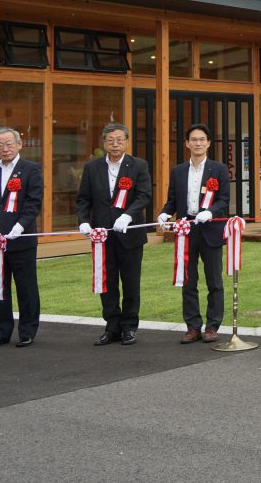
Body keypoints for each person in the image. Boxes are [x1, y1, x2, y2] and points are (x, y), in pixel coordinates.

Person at [75, 122, 153, 346]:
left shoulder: (138, 165)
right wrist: (83, 222)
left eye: (120, 140)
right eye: (111, 140)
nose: (115, 144)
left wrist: (128, 215)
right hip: (102, 236)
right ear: (104, 143)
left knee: (130, 282)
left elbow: (144, 195)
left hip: (129, 235)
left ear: (127, 142)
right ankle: (111, 326)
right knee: (106, 282)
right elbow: (83, 199)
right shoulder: (93, 168)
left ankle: (129, 326)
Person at [158, 123, 231, 343]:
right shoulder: (178, 171)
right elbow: (172, 200)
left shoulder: (218, 169)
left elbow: (224, 200)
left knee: (214, 281)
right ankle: (192, 326)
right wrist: (164, 214)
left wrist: (210, 212)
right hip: (186, 229)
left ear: (208, 143)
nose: (198, 143)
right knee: (188, 280)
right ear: (187, 143)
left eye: (202, 139)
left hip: (210, 228)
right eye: (194, 139)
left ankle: (212, 326)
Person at [0, 127, 43, 348]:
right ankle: (1, 331)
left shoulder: (30, 169)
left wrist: (20, 226)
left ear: (19, 145)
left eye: (9, 144)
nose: (5, 149)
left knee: (26, 287)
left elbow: (34, 202)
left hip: (21, 240)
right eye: (0, 145)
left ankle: (27, 331)